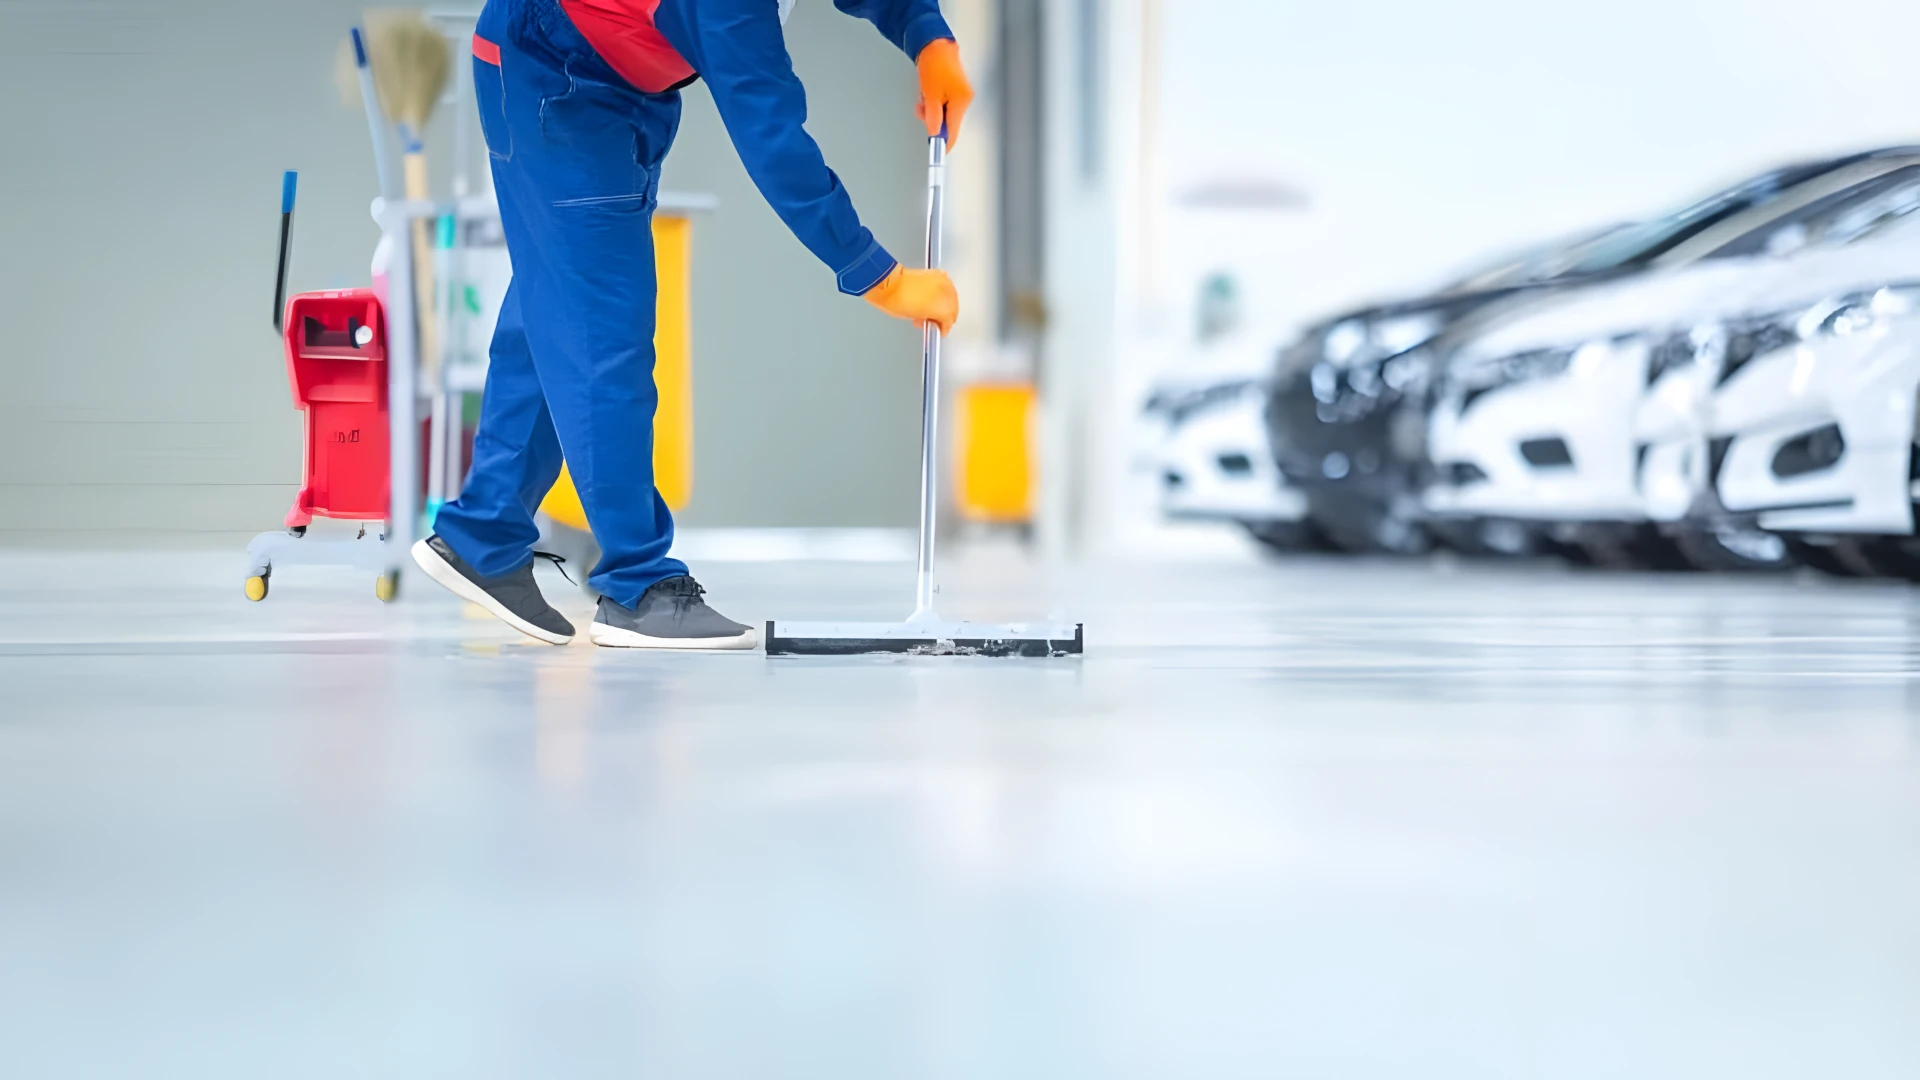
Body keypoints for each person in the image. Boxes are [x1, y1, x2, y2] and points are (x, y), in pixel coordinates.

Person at [412, 0, 971, 649]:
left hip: (614, 81)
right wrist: (880, 276)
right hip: (555, 76)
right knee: (603, 330)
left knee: (562, 305)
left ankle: (484, 530)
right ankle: (637, 586)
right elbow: (772, 136)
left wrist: (926, 34)